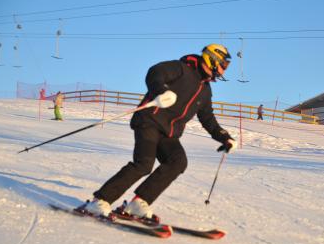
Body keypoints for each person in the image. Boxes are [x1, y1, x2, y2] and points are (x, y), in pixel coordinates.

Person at [84, 44, 237, 218]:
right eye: (224, 65)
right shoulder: (181, 68)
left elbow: (208, 119)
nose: (224, 71)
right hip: (149, 120)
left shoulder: (205, 90)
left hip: (169, 132)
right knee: (143, 164)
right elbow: (155, 72)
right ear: (212, 59)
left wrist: (224, 137)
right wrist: (161, 91)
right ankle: (100, 201)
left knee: (178, 162)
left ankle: (138, 203)